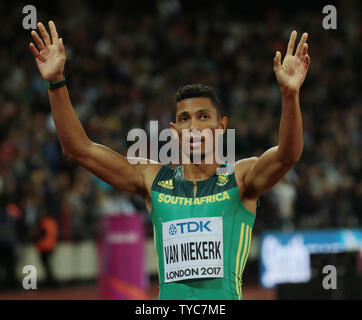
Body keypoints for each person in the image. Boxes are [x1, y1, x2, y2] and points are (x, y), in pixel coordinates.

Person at [29, 21, 310, 299]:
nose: (194, 127)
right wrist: (56, 82)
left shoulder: (241, 178)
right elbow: (78, 149)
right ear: (174, 131)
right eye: (185, 119)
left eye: (203, 117)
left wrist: (289, 94)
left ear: (221, 126)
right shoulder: (153, 180)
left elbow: (288, 154)